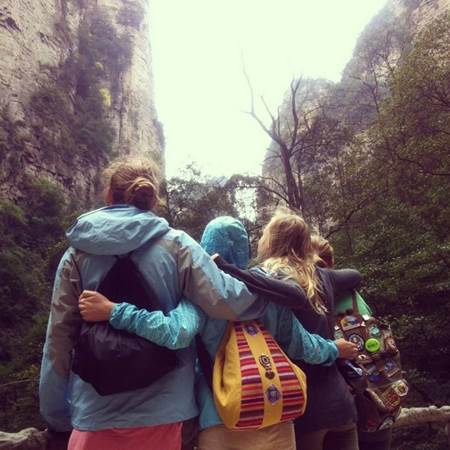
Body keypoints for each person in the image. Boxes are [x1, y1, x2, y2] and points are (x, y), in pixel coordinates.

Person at [39, 158, 276, 450]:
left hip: (95, 414)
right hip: (168, 414)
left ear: (109, 195)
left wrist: (56, 415)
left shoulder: (76, 254)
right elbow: (227, 301)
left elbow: (58, 341)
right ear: (152, 198)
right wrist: (273, 289)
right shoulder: (177, 245)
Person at [79, 216, 359, 450]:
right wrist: (335, 349)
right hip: (274, 414)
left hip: (220, 421)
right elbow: (302, 346)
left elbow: (176, 332)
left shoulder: (199, 296)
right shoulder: (266, 292)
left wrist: (114, 311)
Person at [256, 212, 363, 450]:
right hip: (340, 403)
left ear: (271, 241)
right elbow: (355, 276)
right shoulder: (323, 276)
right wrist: (319, 264)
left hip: (301, 403)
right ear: (305, 243)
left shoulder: (267, 280)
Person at [310, 235, 392, 450]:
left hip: (337, 402)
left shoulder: (310, 299)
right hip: (378, 393)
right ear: (333, 262)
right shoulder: (354, 296)